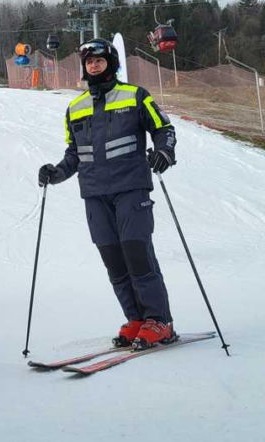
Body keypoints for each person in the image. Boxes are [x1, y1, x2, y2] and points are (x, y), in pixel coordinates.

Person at [37, 38, 178, 350]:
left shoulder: (135, 96)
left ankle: (160, 321)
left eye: (99, 60)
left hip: (130, 188)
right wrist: (55, 173)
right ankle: (137, 319)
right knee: (113, 259)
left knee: (137, 253)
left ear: (111, 63)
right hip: (95, 194)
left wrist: (164, 153)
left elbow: (163, 129)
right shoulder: (74, 108)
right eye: (89, 61)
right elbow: (75, 153)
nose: (94, 65)